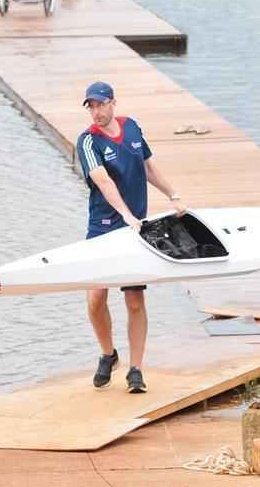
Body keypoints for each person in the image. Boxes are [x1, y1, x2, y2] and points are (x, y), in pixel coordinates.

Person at [75, 82, 186, 394]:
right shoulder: (88, 141)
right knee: (96, 298)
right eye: (91, 107)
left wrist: (173, 195)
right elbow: (103, 181)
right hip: (104, 226)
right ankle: (108, 354)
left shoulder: (133, 127)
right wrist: (125, 214)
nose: (96, 112)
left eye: (100, 104)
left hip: (136, 229)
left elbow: (148, 167)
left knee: (135, 300)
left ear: (113, 103)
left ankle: (136, 370)